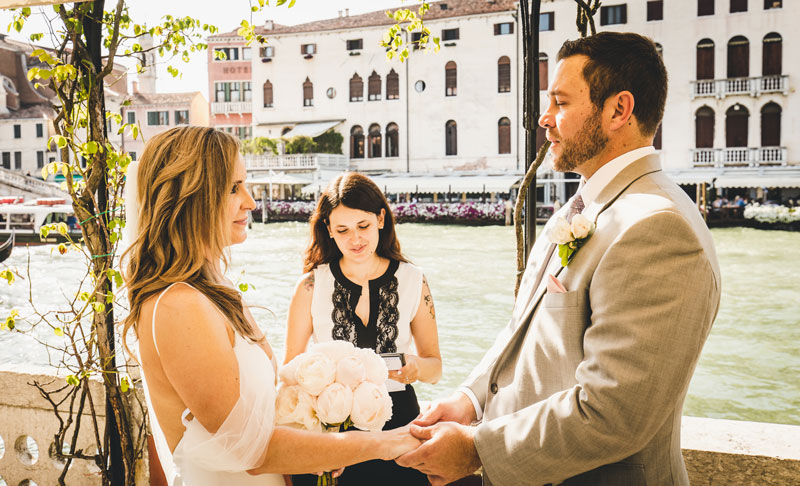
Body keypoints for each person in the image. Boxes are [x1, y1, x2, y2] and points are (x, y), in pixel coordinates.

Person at [397, 32, 721, 486]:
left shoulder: (657, 227)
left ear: (618, 110)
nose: (544, 119)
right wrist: (470, 401)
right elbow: (525, 331)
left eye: (562, 103)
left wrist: (476, 450)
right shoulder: (588, 206)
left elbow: (613, 414)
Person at [122, 127, 419, 486]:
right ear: (192, 196)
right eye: (234, 187)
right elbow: (250, 450)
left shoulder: (214, 289)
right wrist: (382, 444)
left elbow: (258, 421)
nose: (249, 201)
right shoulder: (179, 305)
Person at [285, 172, 441, 486]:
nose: (355, 240)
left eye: (363, 226)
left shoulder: (414, 280)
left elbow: (435, 367)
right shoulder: (311, 285)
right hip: (331, 426)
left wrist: (414, 368)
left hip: (399, 426)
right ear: (328, 230)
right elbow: (289, 372)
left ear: (381, 219)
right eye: (342, 230)